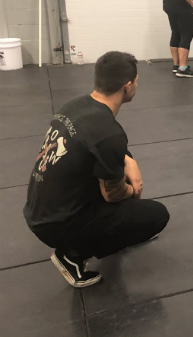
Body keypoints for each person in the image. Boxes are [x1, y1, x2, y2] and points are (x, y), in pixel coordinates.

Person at [23, 52, 170, 288]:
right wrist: (134, 190)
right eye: (137, 82)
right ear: (128, 86)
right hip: (58, 223)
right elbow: (112, 194)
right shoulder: (109, 132)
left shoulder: (74, 105)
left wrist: (129, 161)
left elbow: (96, 146)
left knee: (120, 184)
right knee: (156, 215)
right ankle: (72, 256)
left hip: (39, 209)